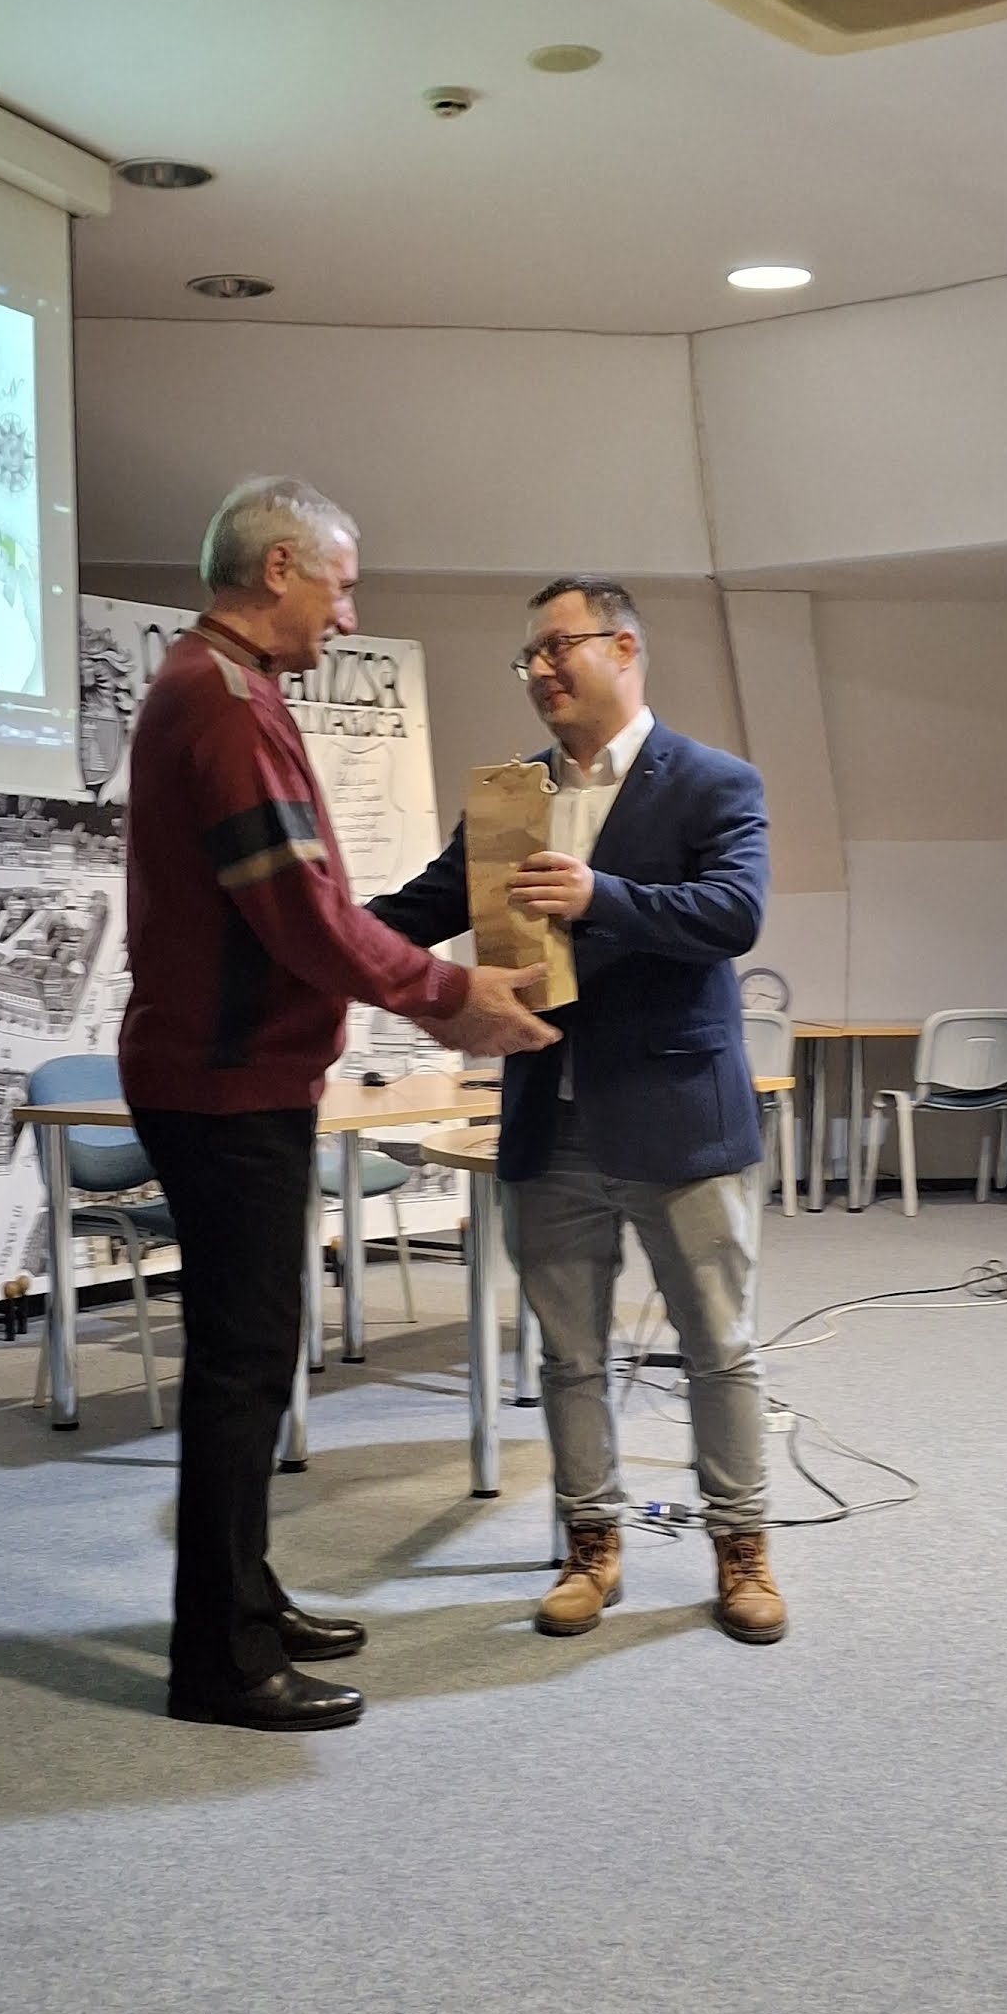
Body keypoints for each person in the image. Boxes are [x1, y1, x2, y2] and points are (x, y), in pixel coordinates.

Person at [120, 478, 556, 1734]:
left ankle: (246, 1599)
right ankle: (220, 1661)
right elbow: (302, 917)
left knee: (253, 1360)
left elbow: (298, 913)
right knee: (243, 1369)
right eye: (341, 585)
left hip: (224, 1078)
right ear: (278, 570)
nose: (349, 614)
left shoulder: (222, 687)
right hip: (225, 1087)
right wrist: (449, 996)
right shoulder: (224, 700)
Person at [367, 578, 785, 1644]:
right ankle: (590, 1546)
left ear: (625, 648)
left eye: (559, 647)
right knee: (567, 1356)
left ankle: (741, 1548)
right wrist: (309, 936)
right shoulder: (509, 798)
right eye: (530, 658)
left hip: (681, 1121)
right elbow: (420, 908)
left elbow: (734, 913)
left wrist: (604, 897)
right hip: (549, 1122)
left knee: (718, 1347)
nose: (541, 670)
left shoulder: (714, 781)